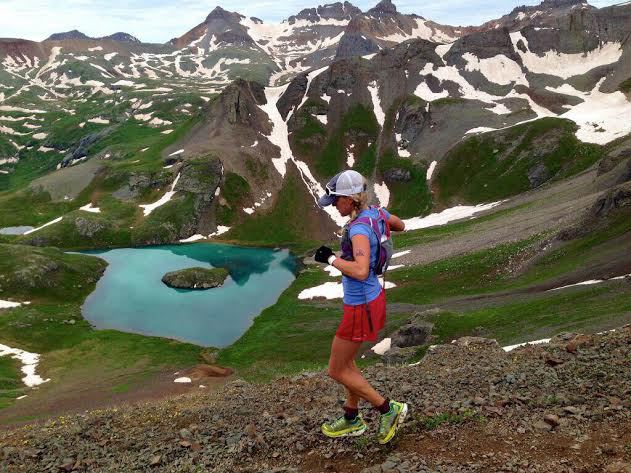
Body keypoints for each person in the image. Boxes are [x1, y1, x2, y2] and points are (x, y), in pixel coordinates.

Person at [314, 169, 407, 445]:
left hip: (362, 305)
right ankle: (352, 418)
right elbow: (400, 225)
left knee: (336, 369)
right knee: (347, 362)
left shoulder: (358, 229)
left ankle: (388, 409)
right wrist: (381, 218)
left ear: (350, 199)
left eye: (336, 201)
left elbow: (360, 269)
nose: (334, 206)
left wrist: (330, 259)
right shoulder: (375, 213)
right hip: (371, 299)